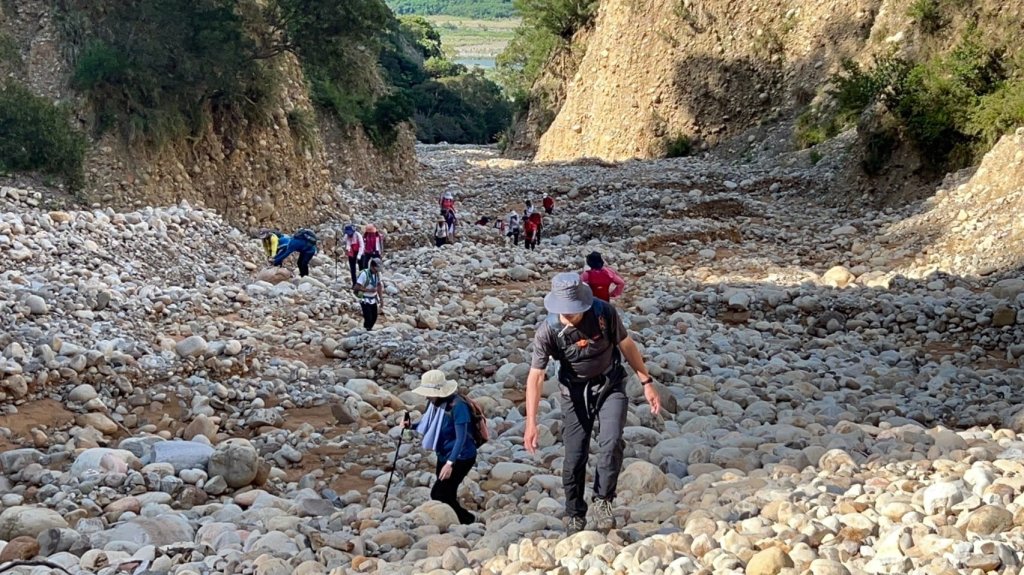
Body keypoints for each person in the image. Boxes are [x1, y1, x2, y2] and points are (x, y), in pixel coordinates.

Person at [523, 273, 661, 535]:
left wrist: (646, 381)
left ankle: (603, 500)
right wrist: (531, 422)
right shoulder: (548, 331)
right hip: (574, 393)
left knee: (611, 442)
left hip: (611, 385)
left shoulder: (603, 313)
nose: (570, 315)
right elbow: (536, 376)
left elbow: (626, 344)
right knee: (574, 456)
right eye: (565, 311)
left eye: (574, 311)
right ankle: (575, 513)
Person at [404, 370, 478, 525]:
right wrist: (411, 426)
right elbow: (428, 424)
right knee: (448, 493)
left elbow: (461, 438)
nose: (427, 397)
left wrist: (450, 464)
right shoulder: (435, 404)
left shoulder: (459, 407)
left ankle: (467, 520)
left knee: (438, 493)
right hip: (444, 454)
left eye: (429, 394)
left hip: (461, 457)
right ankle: (462, 521)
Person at [355, 258, 384, 330]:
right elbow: (356, 287)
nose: (376, 271)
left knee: (374, 317)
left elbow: (379, 285)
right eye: (375, 269)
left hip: (373, 298)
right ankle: (366, 331)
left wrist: (381, 298)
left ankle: (368, 330)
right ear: (371, 266)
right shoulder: (364, 274)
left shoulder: (378, 274)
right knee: (368, 318)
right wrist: (368, 290)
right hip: (364, 299)